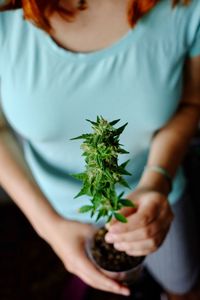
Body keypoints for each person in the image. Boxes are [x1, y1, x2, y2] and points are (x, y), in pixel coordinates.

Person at [0, 0, 200, 298]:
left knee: (183, 285)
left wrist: (156, 181)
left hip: (157, 195)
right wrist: (51, 228)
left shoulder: (186, 7)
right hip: (50, 205)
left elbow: (191, 102)